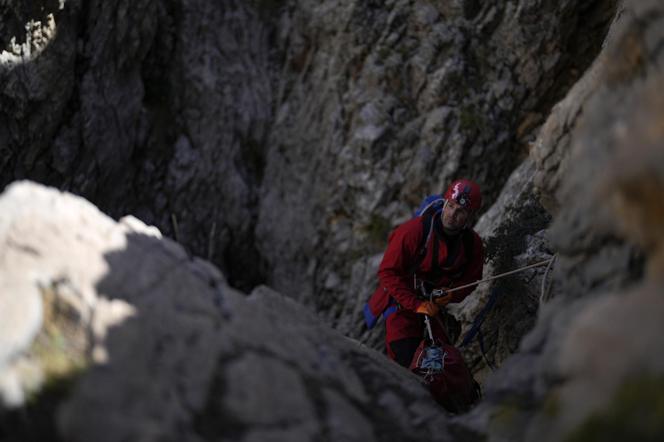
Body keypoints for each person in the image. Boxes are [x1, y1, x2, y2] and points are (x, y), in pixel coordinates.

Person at [376, 179, 484, 367]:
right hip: (402, 304)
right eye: (450, 206)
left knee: (437, 365)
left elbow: (472, 279)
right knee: (406, 360)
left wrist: (453, 294)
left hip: (434, 309)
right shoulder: (414, 231)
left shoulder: (472, 245)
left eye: (460, 212)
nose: (452, 214)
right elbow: (387, 272)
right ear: (444, 203)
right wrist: (416, 304)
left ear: (470, 217)